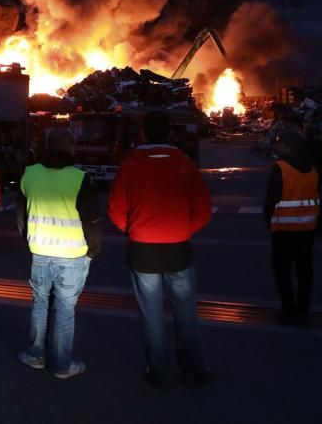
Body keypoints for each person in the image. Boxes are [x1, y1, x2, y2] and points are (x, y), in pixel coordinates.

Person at [107, 110, 215, 388]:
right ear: (169, 133)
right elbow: (203, 209)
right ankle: (193, 368)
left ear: (142, 133)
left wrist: (133, 230)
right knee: (185, 312)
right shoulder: (185, 165)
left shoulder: (130, 166)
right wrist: (184, 229)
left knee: (152, 315)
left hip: (143, 250)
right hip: (179, 248)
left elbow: (115, 210)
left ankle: (159, 371)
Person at [16, 127, 101, 380]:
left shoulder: (30, 175)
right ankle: (63, 364)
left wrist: (31, 240)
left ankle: (36, 355)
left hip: (40, 251)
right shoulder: (79, 178)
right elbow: (92, 220)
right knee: (65, 309)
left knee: (40, 304)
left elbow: (21, 216)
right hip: (72, 255)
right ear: (71, 149)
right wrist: (93, 250)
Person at [264, 129, 322, 320]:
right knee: (305, 270)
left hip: (284, 230)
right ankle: (303, 306)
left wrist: (268, 219)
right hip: (307, 229)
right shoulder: (312, 168)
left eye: (280, 143)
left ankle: (288, 309)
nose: (276, 146)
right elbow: (316, 195)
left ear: (289, 146)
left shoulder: (281, 168)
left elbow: (272, 198)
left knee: (282, 270)